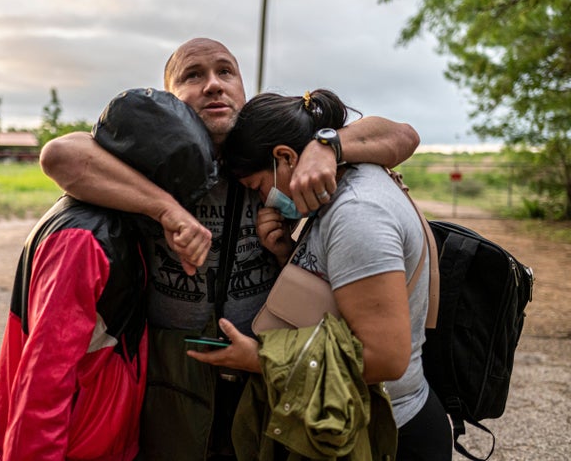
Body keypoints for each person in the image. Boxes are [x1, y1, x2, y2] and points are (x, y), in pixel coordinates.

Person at [39, 38, 421, 460]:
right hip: (172, 372)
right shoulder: (147, 155)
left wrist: (329, 145)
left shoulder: (269, 148)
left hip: (263, 368)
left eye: (225, 72)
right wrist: (167, 210)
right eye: (193, 75)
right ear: (170, 98)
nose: (213, 85)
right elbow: (60, 155)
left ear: (243, 88)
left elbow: (403, 135)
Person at [191, 88, 452, 460]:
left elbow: (385, 358)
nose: (265, 201)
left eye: (259, 187)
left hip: (387, 434)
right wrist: (286, 255)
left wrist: (259, 357)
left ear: (284, 157)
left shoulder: (356, 215)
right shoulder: (346, 182)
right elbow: (337, 302)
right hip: (359, 418)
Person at [0, 88, 217, 461]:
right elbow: (45, 377)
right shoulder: (85, 241)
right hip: (76, 447)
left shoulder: (112, 222)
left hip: (100, 441)